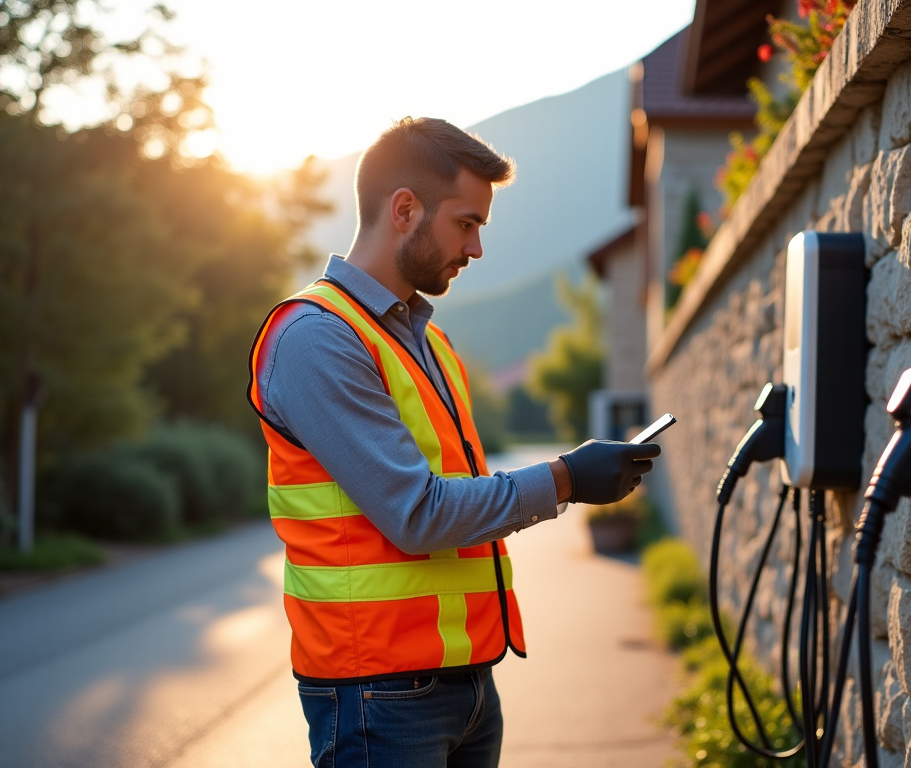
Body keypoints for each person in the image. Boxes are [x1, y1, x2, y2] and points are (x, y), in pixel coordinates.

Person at [246, 117, 661, 768]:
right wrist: (566, 479)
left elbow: (461, 497)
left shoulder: (429, 343)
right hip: (376, 695)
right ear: (405, 210)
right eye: (466, 224)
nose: (476, 250)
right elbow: (418, 514)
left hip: (465, 683)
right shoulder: (316, 338)